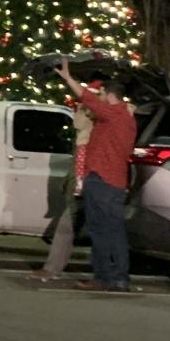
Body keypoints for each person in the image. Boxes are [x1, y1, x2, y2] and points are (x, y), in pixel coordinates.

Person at [53, 59, 136, 292]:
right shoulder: (126, 118)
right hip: (115, 181)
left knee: (100, 231)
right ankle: (118, 277)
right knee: (114, 231)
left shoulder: (113, 114)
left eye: (101, 94)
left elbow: (86, 98)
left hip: (102, 180)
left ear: (109, 95)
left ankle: (104, 277)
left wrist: (69, 78)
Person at [29, 72, 107, 283]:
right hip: (81, 181)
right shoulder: (86, 123)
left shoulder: (105, 120)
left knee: (99, 228)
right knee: (67, 225)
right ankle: (53, 268)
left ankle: (105, 275)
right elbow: (78, 126)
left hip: (97, 180)